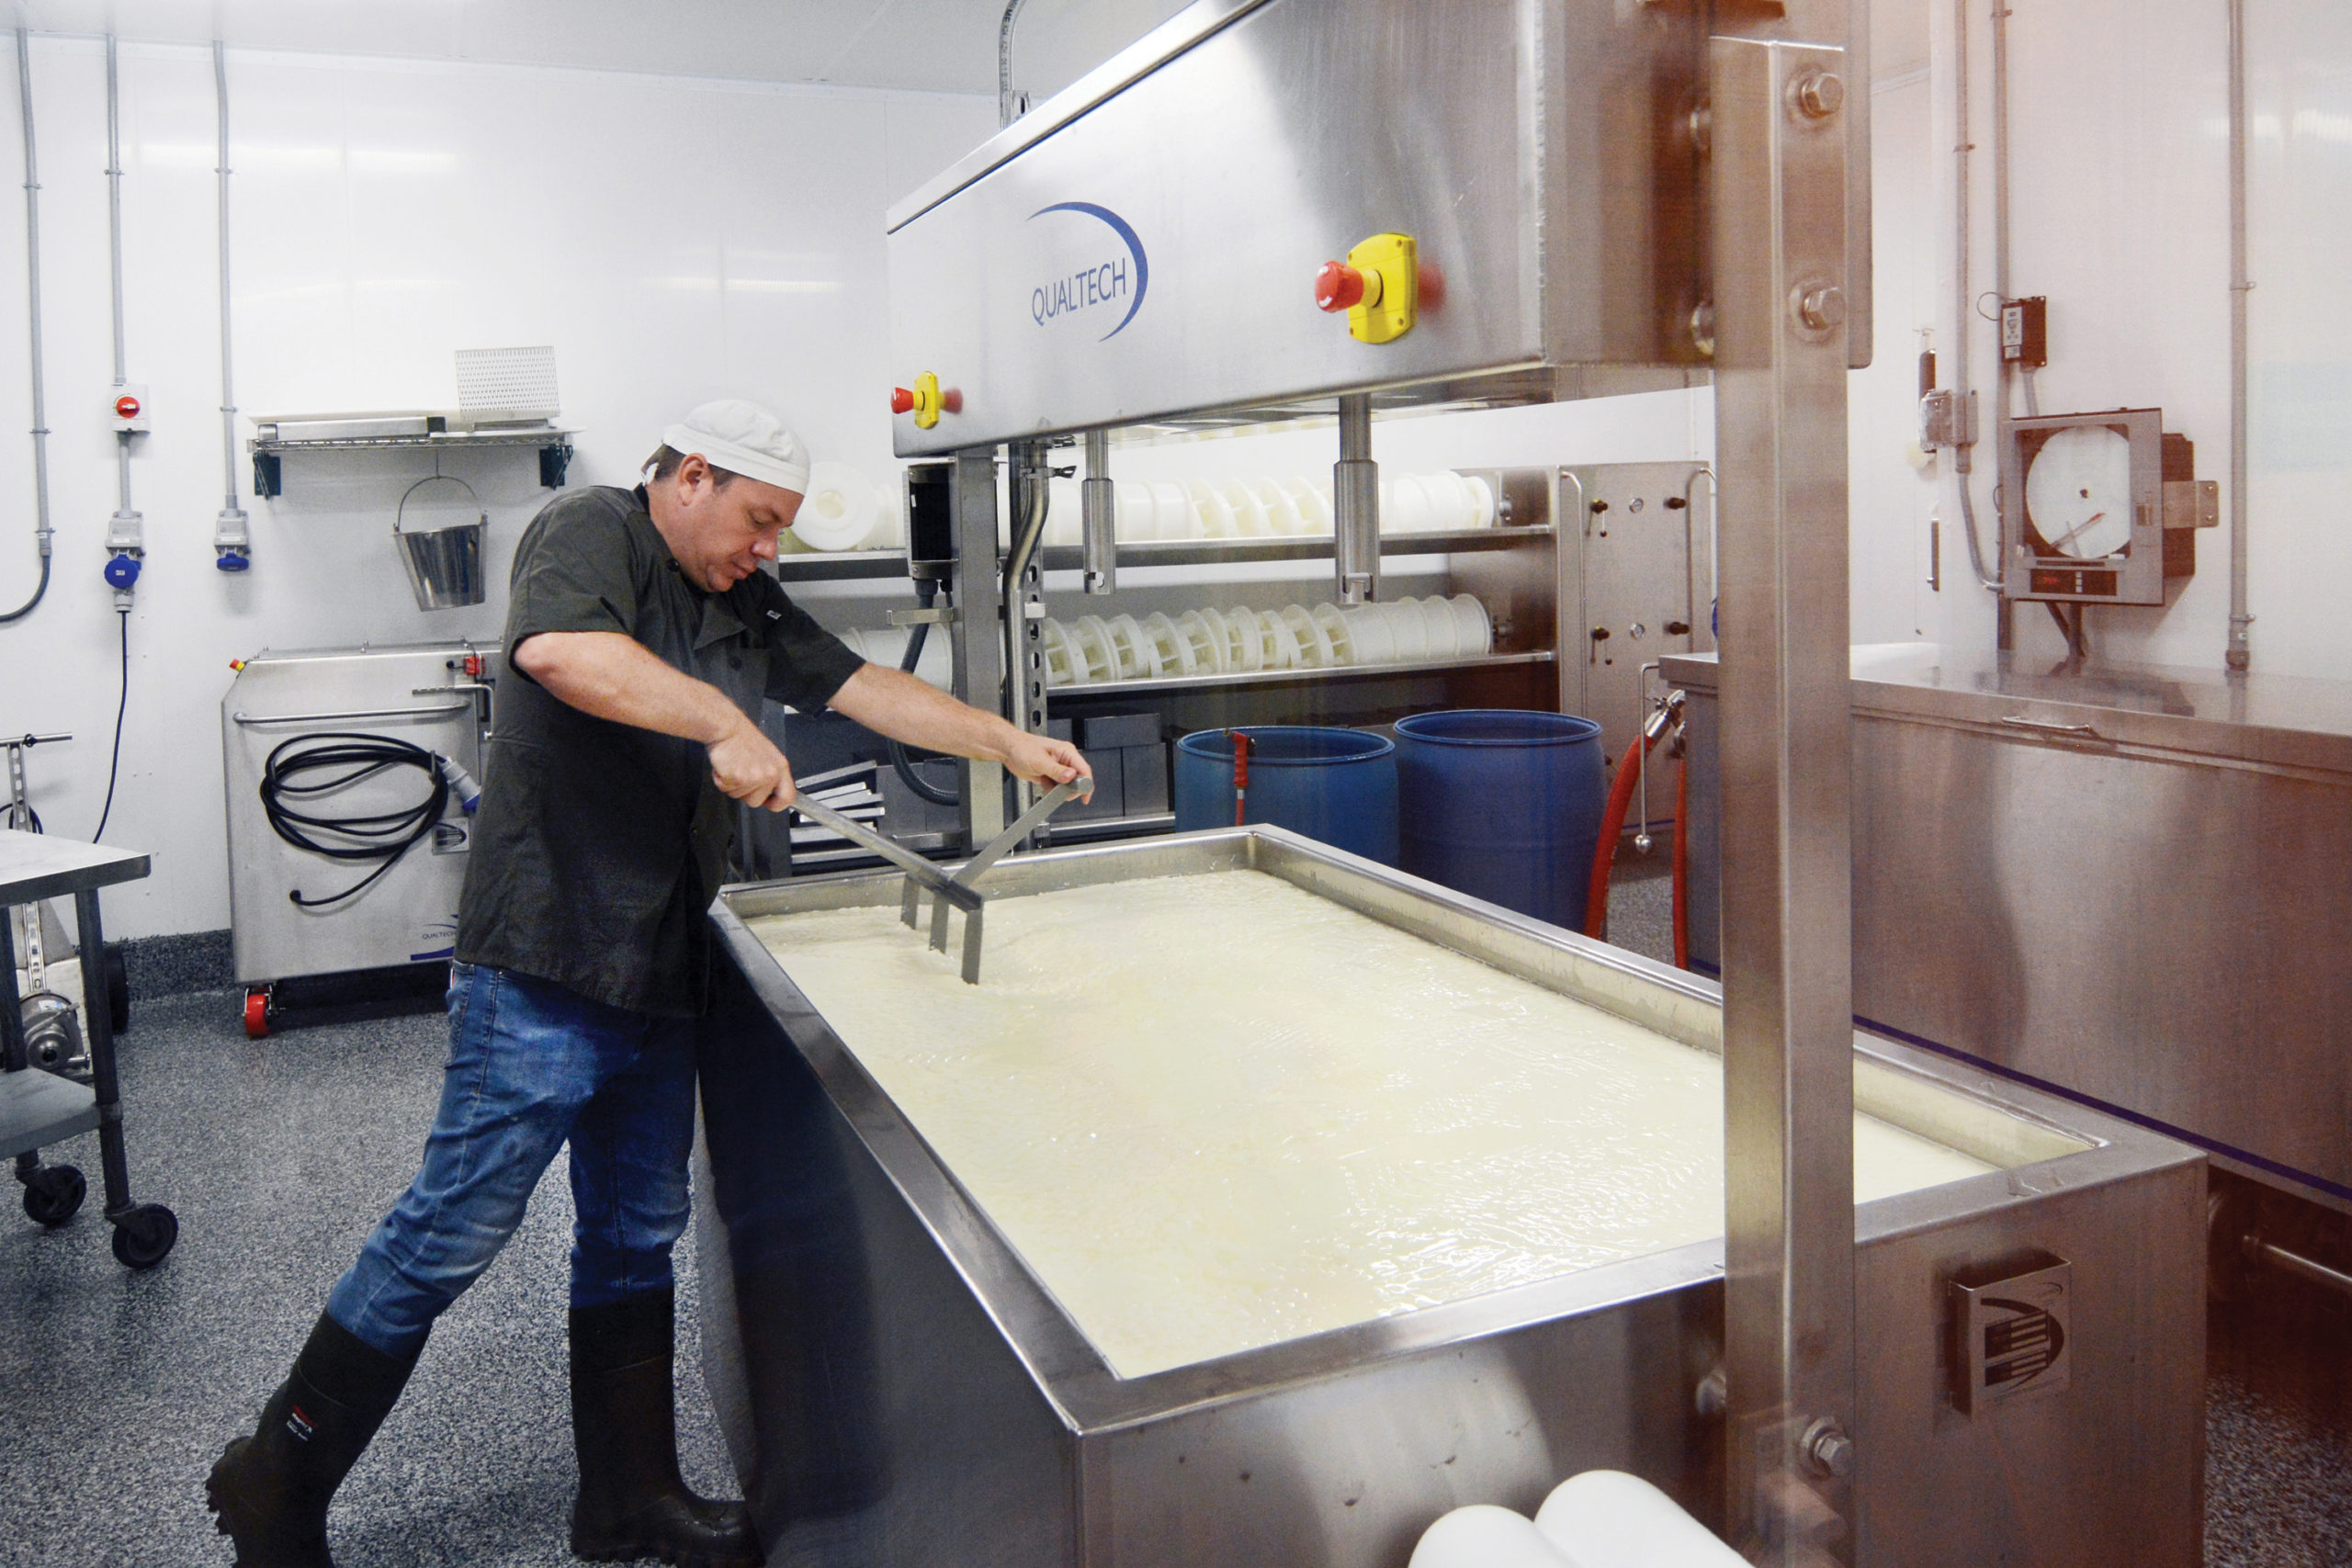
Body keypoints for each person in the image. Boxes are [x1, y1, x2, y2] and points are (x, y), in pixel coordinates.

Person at [206, 400, 1089, 1568]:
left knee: (635, 1234)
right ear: (693, 477)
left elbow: (856, 685)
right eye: (759, 520)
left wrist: (1007, 742)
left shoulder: (739, 592)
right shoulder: (592, 529)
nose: (767, 547)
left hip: (660, 963)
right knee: (453, 1227)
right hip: (548, 956)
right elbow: (562, 654)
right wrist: (722, 721)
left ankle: (627, 1499)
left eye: (780, 530)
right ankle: (274, 1477)